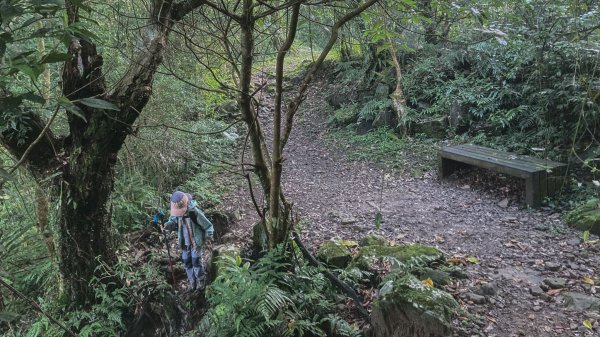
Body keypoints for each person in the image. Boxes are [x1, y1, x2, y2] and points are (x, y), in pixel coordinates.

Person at [162, 191, 214, 291]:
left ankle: (200, 280)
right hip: (184, 243)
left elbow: (207, 224)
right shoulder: (177, 216)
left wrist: (209, 234)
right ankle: (192, 282)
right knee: (187, 262)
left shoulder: (194, 211)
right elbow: (172, 222)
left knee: (196, 261)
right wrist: (167, 225)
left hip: (196, 242)